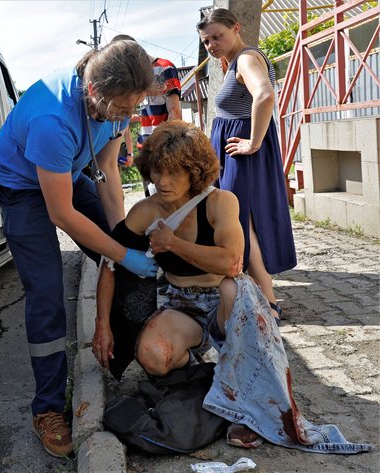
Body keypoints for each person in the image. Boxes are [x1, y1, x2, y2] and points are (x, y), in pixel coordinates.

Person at [93, 121, 371, 454]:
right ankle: (210, 377)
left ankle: (243, 406)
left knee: (233, 289)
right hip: (182, 303)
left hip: (226, 304)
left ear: (194, 171)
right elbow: (109, 263)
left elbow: (231, 263)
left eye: (174, 173)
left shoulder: (221, 201)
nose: (163, 182)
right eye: (156, 171)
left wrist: (172, 244)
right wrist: (102, 325)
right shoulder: (146, 211)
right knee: (152, 356)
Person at [0, 39, 159, 458]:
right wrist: (120, 255)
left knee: (118, 250)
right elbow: (61, 214)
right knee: (46, 293)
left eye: (133, 108)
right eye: (122, 109)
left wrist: (121, 239)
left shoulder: (114, 106)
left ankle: (131, 351)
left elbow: (107, 178)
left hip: (63, 173)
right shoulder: (53, 119)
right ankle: (46, 408)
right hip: (19, 186)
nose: (128, 118)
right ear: (95, 92)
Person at [197, 8, 296, 322]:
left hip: (243, 151)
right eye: (207, 40)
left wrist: (252, 142)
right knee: (242, 220)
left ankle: (268, 301)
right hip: (234, 150)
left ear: (236, 28)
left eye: (217, 36)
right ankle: (261, 291)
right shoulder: (232, 61)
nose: (212, 44)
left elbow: (264, 95)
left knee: (240, 222)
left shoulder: (246, 59)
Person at [112, 34, 182, 196]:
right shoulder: (132, 77)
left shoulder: (164, 68)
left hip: (165, 146)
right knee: (151, 199)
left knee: (170, 198)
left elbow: (175, 112)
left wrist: (166, 145)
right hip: (144, 147)